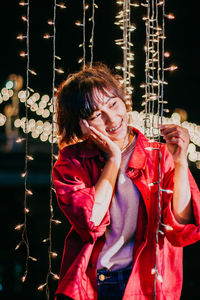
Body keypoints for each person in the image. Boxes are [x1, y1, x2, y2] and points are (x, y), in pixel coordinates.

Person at [52, 63, 200, 300]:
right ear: (81, 124)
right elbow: (91, 220)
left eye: (113, 103)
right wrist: (112, 160)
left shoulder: (158, 155)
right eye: (96, 114)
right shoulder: (72, 161)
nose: (112, 119)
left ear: (123, 99)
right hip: (97, 283)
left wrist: (180, 161)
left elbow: (181, 229)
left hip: (148, 283)